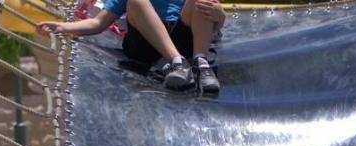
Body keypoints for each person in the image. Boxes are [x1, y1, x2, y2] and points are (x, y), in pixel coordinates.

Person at [38, 0, 224, 95]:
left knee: (203, 2)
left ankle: (201, 64)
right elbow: (97, 23)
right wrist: (63, 27)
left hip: (182, 40)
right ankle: (177, 62)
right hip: (145, 44)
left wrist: (220, 15)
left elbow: (211, 24)